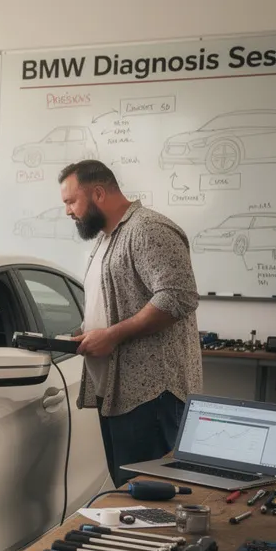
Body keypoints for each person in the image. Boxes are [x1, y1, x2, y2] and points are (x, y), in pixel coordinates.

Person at [59, 159, 203, 487]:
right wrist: (86, 333)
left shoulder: (148, 229)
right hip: (117, 392)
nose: (68, 212)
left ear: (98, 193)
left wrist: (111, 335)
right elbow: (115, 303)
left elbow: (178, 297)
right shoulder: (107, 238)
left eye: (71, 201)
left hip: (151, 395)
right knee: (127, 493)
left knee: (151, 496)